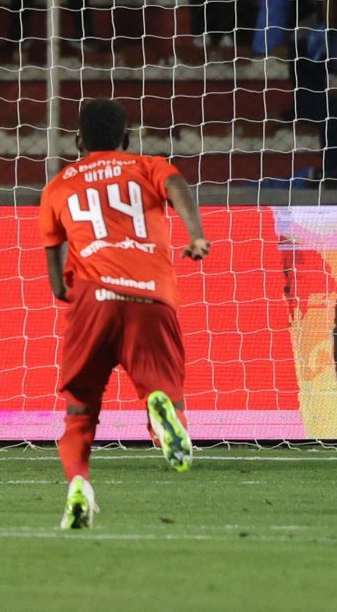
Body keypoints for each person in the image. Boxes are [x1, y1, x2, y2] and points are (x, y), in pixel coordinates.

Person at [38, 99, 210, 529]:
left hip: (93, 300)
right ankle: (163, 415)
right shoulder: (148, 165)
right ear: (127, 138)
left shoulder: (58, 185)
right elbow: (178, 188)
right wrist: (196, 234)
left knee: (79, 412)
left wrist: (62, 290)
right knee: (166, 387)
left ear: (78, 141)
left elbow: (54, 264)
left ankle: (79, 484)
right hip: (151, 296)